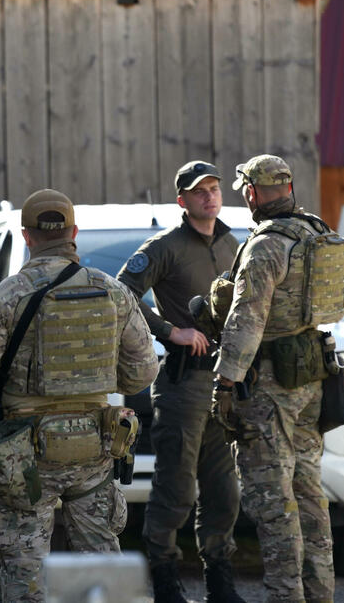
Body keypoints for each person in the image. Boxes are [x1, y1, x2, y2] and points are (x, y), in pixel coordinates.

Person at [0, 188, 160, 602]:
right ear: (74, 232)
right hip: (94, 446)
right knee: (102, 560)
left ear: (26, 235)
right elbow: (143, 371)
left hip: (24, 450)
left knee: (24, 568)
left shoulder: (6, 296)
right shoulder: (114, 292)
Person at [212, 154, 344, 602]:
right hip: (312, 379)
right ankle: (320, 594)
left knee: (273, 502)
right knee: (310, 493)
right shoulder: (318, 233)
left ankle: (286, 596)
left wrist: (224, 385)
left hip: (268, 387)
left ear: (253, 192)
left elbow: (245, 321)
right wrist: (311, 315)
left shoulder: (265, 246)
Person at [117, 161, 244, 603]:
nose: (209, 196)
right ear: (182, 201)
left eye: (213, 188)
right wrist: (170, 331)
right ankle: (167, 586)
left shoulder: (234, 244)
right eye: (198, 191)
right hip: (182, 385)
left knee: (225, 493)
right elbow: (123, 292)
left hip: (225, 386)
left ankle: (221, 587)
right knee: (175, 489)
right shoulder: (165, 246)